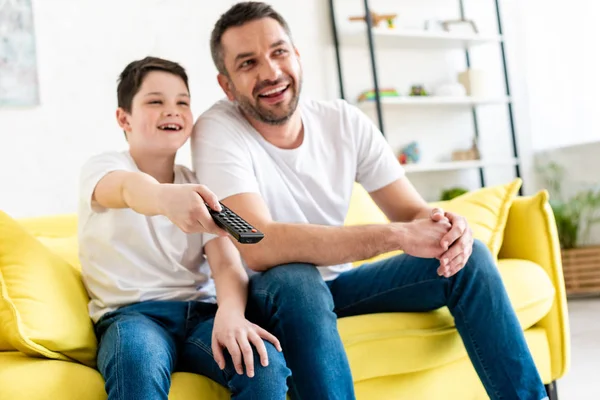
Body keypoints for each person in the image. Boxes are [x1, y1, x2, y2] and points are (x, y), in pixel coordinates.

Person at [191, 2, 549, 400]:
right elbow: (260, 245)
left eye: (279, 52)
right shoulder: (217, 130)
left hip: (339, 286)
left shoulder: (343, 121)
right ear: (226, 84)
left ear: (297, 56)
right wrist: (395, 235)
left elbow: (412, 212)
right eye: (248, 63)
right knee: (298, 278)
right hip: (266, 295)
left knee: (472, 260)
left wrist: (447, 228)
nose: (271, 72)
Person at [78, 56, 290, 400]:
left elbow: (225, 264)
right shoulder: (104, 167)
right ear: (124, 118)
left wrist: (231, 314)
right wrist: (164, 198)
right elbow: (128, 190)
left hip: (201, 315)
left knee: (262, 365)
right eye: (155, 101)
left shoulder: (197, 184)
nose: (172, 110)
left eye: (182, 102)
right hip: (134, 316)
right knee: (137, 361)